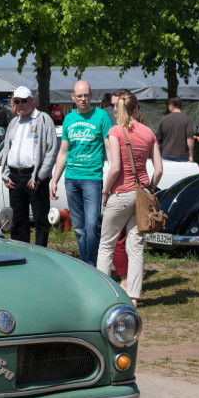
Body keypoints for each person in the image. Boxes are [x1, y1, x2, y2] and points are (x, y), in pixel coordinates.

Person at [97, 93, 162, 308]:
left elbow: (115, 167)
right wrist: (150, 187)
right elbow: (159, 170)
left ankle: (102, 293)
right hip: (141, 194)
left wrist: (105, 191)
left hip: (120, 194)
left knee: (106, 245)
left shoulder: (115, 131)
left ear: (120, 110)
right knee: (136, 247)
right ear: (136, 109)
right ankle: (134, 296)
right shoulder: (148, 132)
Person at [50, 80, 112, 266]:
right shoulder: (69, 119)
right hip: (71, 179)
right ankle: (87, 263)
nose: (83, 99)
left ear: (91, 95)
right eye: (79, 96)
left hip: (92, 178)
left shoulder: (101, 116)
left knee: (92, 225)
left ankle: (92, 264)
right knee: (78, 227)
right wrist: (55, 180)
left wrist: (110, 179)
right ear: (73, 97)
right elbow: (63, 152)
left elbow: (109, 150)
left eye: (86, 95)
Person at [0, 85, 57, 247]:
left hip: (35, 176)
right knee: (18, 221)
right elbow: (6, 149)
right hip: (15, 176)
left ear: (32, 100)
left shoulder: (43, 119)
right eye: (16, 101)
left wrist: (40, 175)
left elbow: (51, 150)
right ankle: (21, 254)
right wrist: (4, 174)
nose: (20, 105)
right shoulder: (13, 122)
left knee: (40, 220)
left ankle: (41, 257)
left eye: (24, 101)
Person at [155, 96, 194, 162]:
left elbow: (158, 142)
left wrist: (158, 156)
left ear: (171, 106)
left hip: (166, 156)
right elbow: (190, 140)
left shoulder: (163, 119)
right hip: (182, 156)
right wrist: (191, 156)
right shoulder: (187, 119)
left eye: (169, 105)